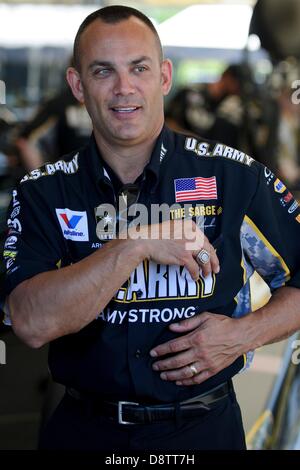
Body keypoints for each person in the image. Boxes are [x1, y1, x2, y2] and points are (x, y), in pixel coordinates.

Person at [2, 5, 300, 451]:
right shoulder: (45, 192)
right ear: (78, 86)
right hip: (84, 431)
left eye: (138, 68)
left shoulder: (234, 177)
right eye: (104, 71)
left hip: (205, 431)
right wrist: (136, 243)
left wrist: (242, 335)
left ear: (162, 77)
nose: (124, 88)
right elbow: (28, 322)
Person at [166, 64, 280, 171]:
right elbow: (168, 123)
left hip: (211, 165)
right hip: (180, 159)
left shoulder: (227, 103)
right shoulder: (192, 93)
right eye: (237, 84)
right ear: (227, 77)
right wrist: (202, 144)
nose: (237, 90)